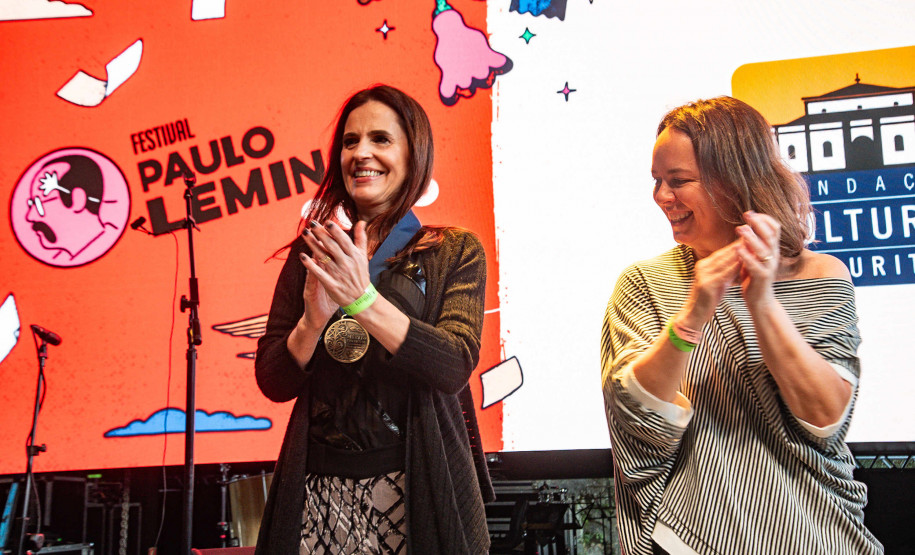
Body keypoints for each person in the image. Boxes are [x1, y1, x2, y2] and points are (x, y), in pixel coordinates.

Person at [600, 97, 884, 555]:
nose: (661, 197)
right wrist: (691, 318)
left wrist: (762, 301)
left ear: (733, 180)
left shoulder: (822, 275)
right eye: (656, 182)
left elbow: (827, 417)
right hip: (687, 541)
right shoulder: (645, 283)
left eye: (678, 182)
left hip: (822, 535)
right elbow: (638, 421)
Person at [254, 84, 493, 554]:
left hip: (418, 485)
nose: (361, 152)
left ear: (413, 155)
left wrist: (362, 300)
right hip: (317, 494)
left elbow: (452, 365)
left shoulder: (454, 250)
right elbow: (273, 380)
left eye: (380, 139)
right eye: (350, 141)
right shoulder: (314, 251)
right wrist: (313, 321)